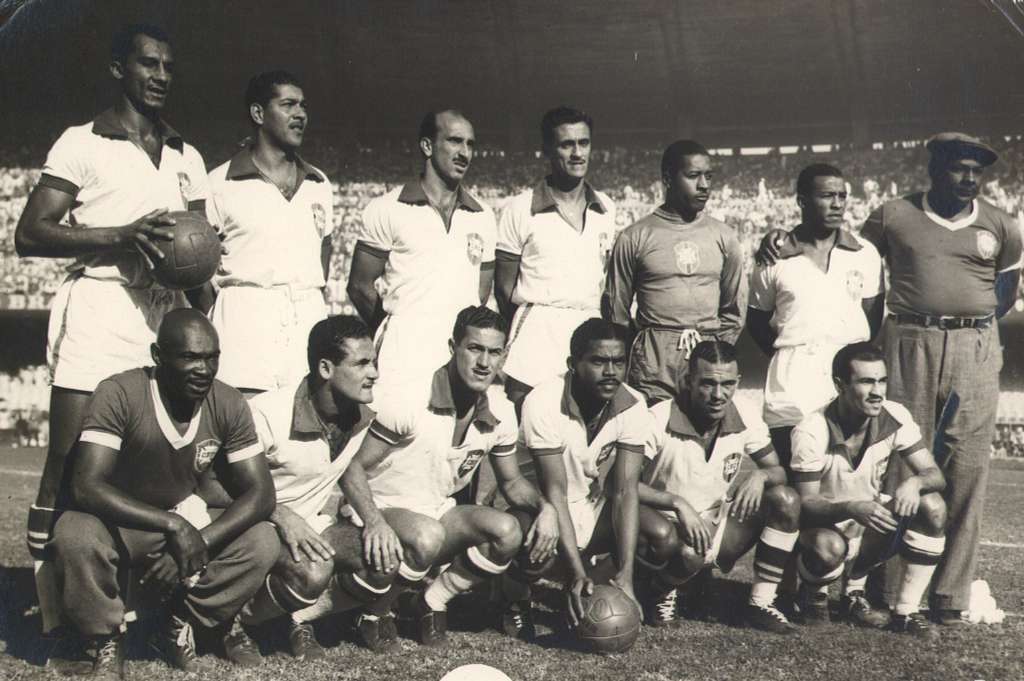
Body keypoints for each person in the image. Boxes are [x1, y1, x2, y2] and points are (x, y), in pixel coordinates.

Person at [758, 133, 1021, 625]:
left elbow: (1005, 289)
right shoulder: (892, 215)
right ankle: (880, 586)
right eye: (958, 168)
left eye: (976, 171)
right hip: (910, 339)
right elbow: (841, 253)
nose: (968, 179)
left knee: (966, 470)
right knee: (898, 461)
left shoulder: (1001, 225)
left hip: (975, 346)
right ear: (933, 169)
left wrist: (968, 320)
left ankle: (948, 596)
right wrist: (785, 239)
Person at [17, 23, 208, 649]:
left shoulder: (187, 155)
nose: (159, 75)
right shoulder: (82, 141)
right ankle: (48, 614)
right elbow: (31, 234)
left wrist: (202, 272)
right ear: (118, 69)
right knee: (67, 465)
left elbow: (198, 247)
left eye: (168, 66)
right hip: (100, 305)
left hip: (164, 314)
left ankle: (134, 606)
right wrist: (120, 235)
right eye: (147, 63)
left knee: (157, 464)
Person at [50, 309, 279, 677]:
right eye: (189, 357)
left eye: (211, 357)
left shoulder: (228, 401)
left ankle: (177, 621)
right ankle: (104, 638)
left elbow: (262, 494)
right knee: (74, 533)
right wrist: (173, 526)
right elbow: (86, 485)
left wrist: (197, 539)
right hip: (120, 522)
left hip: (183, 519)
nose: (203, 369)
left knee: (263, 540)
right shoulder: (120, 392)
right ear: (158, 356)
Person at [340, 306, 558, 647]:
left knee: (507, 531)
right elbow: (352, 468)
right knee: (427, 535)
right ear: (451, 347)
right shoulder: (411, 399)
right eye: (474, 348)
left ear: (504, 357)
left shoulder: (500, 410)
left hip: (435, 512)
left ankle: (430, 602)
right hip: (380, 508)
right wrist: (373, 521)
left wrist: (547, 509)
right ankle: (373, 611)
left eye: (494, 352)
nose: (484, 362)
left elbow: (512, 483)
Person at [228, 315, 440, 657]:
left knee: (384, 557)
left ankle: (295, 618)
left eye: (374, 362)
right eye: (361, 363)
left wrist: (374, 520)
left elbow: (349, 467)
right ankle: (236, 620)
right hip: (256, 529)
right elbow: (220, 487)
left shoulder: (360, 411)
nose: (374, 373)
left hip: (310, 527)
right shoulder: (267, 414)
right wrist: (280, 514)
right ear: (326, 368)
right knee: (315, 570)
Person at [501, 318, 679, 633]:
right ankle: (513, 596)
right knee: (534, 540)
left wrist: (625, 573)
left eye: (618, 362)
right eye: (598, 361)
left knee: (660, 535)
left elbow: (625, 491)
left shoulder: (634, 404)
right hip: (540, 506)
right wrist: (573, 571)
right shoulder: (543, 401)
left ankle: (599, 590)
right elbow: (554, 491)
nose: (610, 371)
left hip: (588, 504)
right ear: (574, 364)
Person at [638, 340, 802, 633]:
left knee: (785, 500)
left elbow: (777, 471)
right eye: (708, 384)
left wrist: (760, 477)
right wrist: (676, 503)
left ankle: (761, 603)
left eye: (727, 384)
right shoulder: (657, 418)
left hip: (714, 524)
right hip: (662, 529)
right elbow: (623, 485)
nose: (718, 395)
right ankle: (660, 590)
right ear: (687, 381)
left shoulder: (746, 414)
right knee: (689, 554)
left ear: (738, 382)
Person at [790, 343, 947, 638]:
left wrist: (914, 483)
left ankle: (902, 611)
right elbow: (806, 503)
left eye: (882, 380)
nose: (878, 391)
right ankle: (813, 593)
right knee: (829, 546)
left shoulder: (893, 415)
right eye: (866, 381)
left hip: (867, 523)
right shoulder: (811, 429)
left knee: (933, 506)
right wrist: (852, 507)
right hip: (821, 531)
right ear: (840, 385)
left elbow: (935, 474)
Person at [347, 110, 497, 405]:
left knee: (447, 441)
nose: (464, 153)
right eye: (455, 141)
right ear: (427, 146)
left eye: (470, 144)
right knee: (395, 438)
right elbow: (359, 285)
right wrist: (398, 326)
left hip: (457, 354)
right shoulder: (387, 208)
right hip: (404, 353)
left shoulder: (484, 216)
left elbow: (480, 291)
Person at [202, 71, 334, 395]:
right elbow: (198, 277)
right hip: (245, 338)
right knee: (242, 438)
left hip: (306, 330)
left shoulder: (320, 184)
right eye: (288, 104)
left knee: (304, 439)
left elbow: (323, 259)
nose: (300, 114)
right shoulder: (219, 185)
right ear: (258, 113)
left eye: (303, 106)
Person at [747, 164, 884, 467]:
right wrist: (793, 350)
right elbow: (756, 321)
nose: (837, 204)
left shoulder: (865, 253)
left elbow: (872, 320)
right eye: (827, 196)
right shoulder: (774, 256)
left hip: (847, 381)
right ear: (803, 201)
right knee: (792, 478)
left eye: (842, 196)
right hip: (793, 380)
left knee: (842, 481)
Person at [603, 140, 744, 405]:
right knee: (653, 437)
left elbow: (734, 309)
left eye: (708, 176)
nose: (704, 185)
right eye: (693, 176)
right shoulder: (635, 236)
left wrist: (715, 352)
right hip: (655, 361)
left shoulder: (724, 236)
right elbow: (616, 311)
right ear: (668, 178)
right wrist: (646, 349)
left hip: (707, 358)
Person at [494, 106, 617, 406]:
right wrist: (534, 323)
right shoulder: (519, 208)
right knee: (528, 427)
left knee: (580, 429)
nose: (577, 153)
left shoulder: (606, 208)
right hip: (537, 328)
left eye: (584, 143)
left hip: (588, 326)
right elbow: (503, 289)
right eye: (566, 144)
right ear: (548, 150)